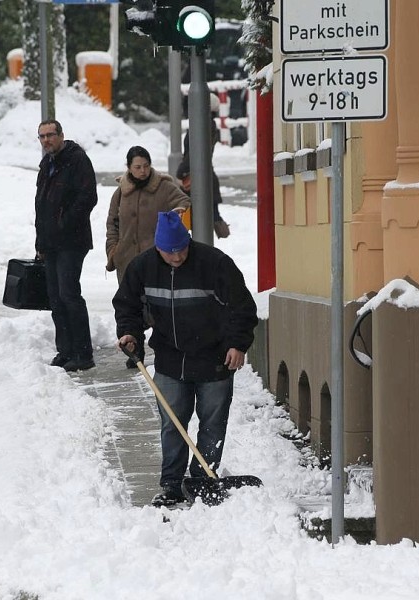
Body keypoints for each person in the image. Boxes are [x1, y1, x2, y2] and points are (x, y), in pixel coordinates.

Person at [113, 212, 258, 506]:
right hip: (170, 359)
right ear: (158, 247)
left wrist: (237, 345)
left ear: (188, 242)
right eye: (170, 251)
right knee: (172, 422)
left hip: (215, 359)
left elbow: (241, 308)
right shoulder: (142, 268)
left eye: (182, 249)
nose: (177, 257)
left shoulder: (215, 264)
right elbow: (128, 306)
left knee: (213, 423)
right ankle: (172, 484)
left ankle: (203, 478)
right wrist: (130, 334)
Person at [106, 146, 191, 368]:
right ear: (129, 168)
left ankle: (166, 348)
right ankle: (136, 349)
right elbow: (112, 223)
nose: (142, 171)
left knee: (156, 304)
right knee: (130, 304)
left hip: (156, 256)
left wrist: (175, 218)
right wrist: (113, 250)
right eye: (137, 167)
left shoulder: (163, 186)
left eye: (146, 166)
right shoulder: (121, 191)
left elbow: (184, 203)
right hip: (126, 259)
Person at [35, 119, 98, 372]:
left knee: (69, 295)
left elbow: (88, 197)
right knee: (55, 298)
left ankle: (83, 354)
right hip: (50, 242)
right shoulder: (47, 163)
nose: (47, 140)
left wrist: (64, 223)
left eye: (51, 135)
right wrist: (40, 240)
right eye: (42, 136)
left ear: (61, 135)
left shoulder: (77, 159)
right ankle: (66, 350)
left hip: (72, 241)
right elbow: (41, 205)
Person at [178, 93, 230, 238]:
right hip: (204, 175)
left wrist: (182, 170)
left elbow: (196, 151)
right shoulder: (208, 124)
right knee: (207, 214)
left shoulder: (202, 125)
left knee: (193, 216)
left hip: (197, 177)